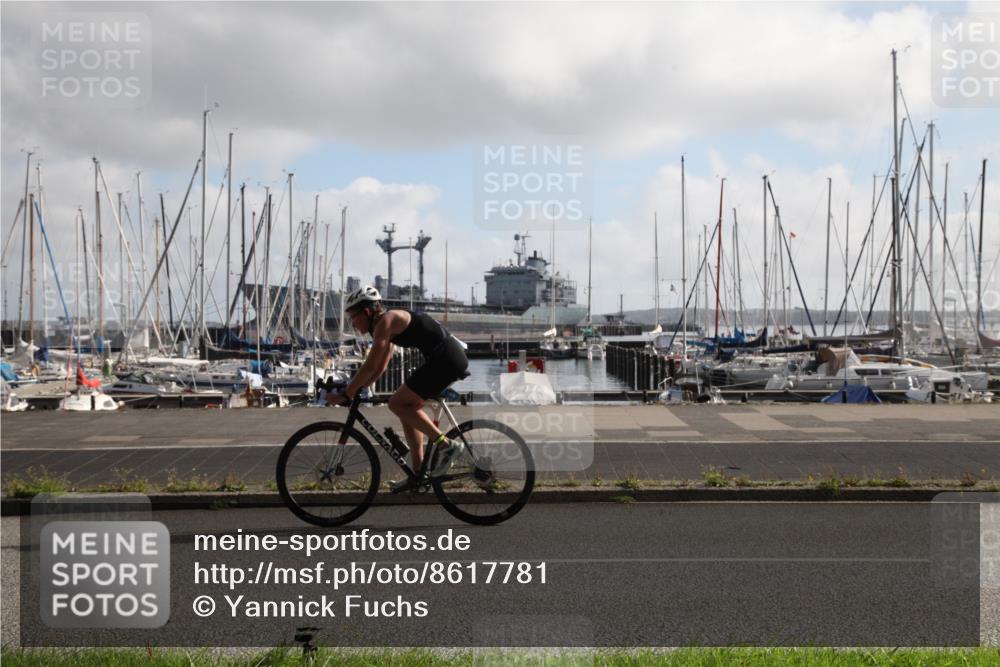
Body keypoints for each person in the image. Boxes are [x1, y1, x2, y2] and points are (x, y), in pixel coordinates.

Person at [328, 285, 469, 492]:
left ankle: (446, 445)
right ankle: (419, 473)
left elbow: (370, 363)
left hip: (446, 358)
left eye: (353, 317)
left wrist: (347, 393)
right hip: (444, 357)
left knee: (397, 403)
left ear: (367, 312)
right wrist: (360, 389)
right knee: (406, 408)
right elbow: (379, 367)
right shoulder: (387, 326)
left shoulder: (387, 322)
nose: (353, 323)